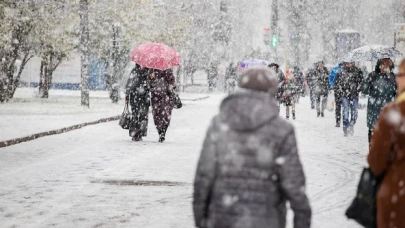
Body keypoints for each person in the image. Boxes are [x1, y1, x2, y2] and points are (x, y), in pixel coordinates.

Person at [193, 67, 311, 228]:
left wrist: (201, 220)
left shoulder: (219, 124)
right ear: (272, 91)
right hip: (266, 220)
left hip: (222, 218)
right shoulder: (282, 130)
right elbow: (295, 186)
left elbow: (203, 177)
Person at [367, 58, 405, 228]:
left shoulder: (395, 113)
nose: (397, 78)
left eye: (400, 74)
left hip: (397, 194)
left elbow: (376, 161)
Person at [362, 58, 397, 144]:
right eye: (382, 64)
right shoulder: (372, 76)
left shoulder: (393, 77)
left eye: (387, 65)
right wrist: (367, 83)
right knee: (373, 130)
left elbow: (398, 93)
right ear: (379, 65)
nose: (384, 67)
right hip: (374, 108)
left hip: (388, 109)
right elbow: (364, 90)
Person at [334, 62, 363, 136]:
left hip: (354, 95)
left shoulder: (358, 71)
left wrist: (358, 88)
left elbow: (361, 82)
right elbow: (336, 83)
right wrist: (340, 90)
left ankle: (351, 125)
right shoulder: (341, 71)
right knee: (345, 112)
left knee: (355, 113)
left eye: (350, 63)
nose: (349, 65)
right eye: (347, 63)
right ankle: (345, 128)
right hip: (345, 95)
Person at [149, 69, 177, 143]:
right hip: (161, 97)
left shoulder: (153, 70)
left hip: (161, 97)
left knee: (159, 116)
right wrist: (151, 79)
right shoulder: (153, 70)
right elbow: (149, 84)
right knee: (163, 116)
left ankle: (161, 133)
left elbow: (173, 84)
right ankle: (162, 133)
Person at [125, 64, 150, 142]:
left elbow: (151, 85)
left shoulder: (148, 71)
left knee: (143, 116)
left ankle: (140, 133)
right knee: (135, 115)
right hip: (135, 97)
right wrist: (127, 96)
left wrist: (150, 80)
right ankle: (134, 133)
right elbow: (129, 84)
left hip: (144, 98)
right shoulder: (135, 71)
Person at [329, 63, 343, 127]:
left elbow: (331, 78)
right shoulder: (336, 69)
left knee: (339, 106)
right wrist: (332, 85)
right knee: (339, 106)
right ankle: (338, 120)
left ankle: (339, 120)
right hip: (339, 90)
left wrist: (332, 85)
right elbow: (331, 78)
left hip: (340, 90)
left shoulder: (335, 69)